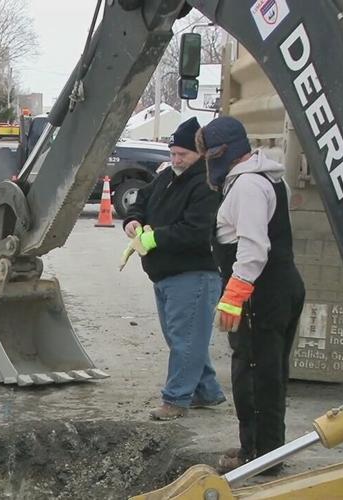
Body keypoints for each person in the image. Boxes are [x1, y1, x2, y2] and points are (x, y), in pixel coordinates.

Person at [195, 116, 306, 473]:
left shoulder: (247, 186)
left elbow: (254, 248)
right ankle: (262, 446)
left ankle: (260, 457)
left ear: (220, 153)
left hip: (261, 293)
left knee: (254, 374)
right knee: (268, 373)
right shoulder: (267, 177)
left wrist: (234, 295)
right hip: (277, 287)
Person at [122, 117, 226, 421]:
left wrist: (155, 238)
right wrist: (134, 219)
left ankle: (176, 398)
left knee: (186, 340)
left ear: (201, 154)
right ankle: (206, 391)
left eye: (183, 155)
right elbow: (141, 197)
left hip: (193, 274)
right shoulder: (168, 176)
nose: (176, 160)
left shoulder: (206, 184)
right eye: (173, 153)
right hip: (166, 274)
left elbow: (196, 231)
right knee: (183, 338)